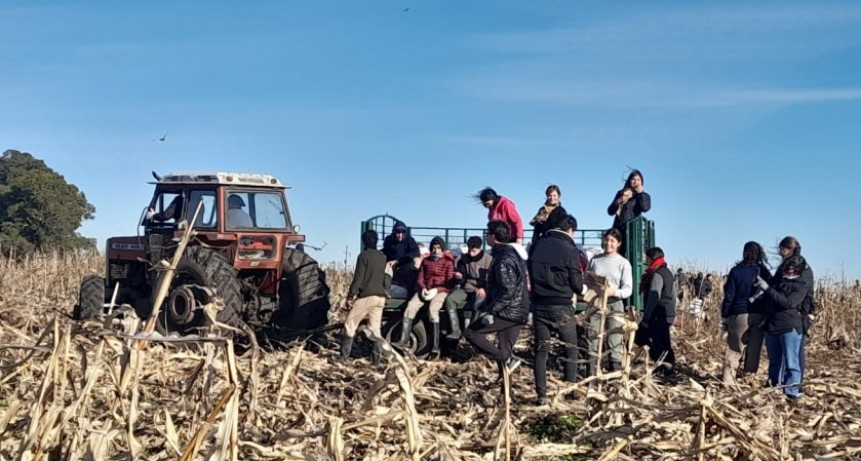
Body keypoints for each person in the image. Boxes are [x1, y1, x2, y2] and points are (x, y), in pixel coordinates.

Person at [528, 214, 584, 404]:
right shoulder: (570, 249)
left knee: (541, 350)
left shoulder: (536, 245)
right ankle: (569, 389)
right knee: (570, 349)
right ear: (570, 230)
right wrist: (583, 289)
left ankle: (541, 394)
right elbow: (576, 283)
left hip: (540, 305)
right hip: (562, 306)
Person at [463, 220, 530, 374]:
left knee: (471, 333)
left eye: (487, 234)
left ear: (493, 237)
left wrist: (492, 310)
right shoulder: (512, 255)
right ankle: (506, 393)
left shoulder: (503, 259)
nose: (486, 237)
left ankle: (506, 359)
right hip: (518, 311)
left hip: (508, 311)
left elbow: (508, 290)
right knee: (505, 351)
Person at [755, 255, 810, 401]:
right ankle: (774, 387)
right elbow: (771, 299)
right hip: (772, 325)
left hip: (789, 326)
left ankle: (791, 392)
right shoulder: (778, 282)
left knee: (791, 362)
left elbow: (788, 302)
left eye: (793, 268)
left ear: (798, 269)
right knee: (775, 361)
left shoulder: (801, 285)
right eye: (788, 267)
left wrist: (767, 289)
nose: (790, 270)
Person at [392, 236, 455, 357]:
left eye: (438, 248)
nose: (435, 250)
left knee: (433, 310)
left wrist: (437, 289)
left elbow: (449, 282)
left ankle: (435, 346)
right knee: (410, 306)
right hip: (425, 289)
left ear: (442, 249)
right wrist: (423, 288)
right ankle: (403, 340)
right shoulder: (426, 261)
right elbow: (420, 277)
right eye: (433, 248)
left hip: (441, 291)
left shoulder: (448, 262)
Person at [721, 241, 772, 384]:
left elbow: (729, 296)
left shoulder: (736, 271)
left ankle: (728, 381)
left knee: (734, 349)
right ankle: (748, 380)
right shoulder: (764, 272)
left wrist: (725, 315)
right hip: (760, 314)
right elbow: (770, 293)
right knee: (754, 349)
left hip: (739, 313)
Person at [585, 228, 633, 375]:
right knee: (592, 338)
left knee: (615, 339)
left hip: (614, 304)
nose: (608, 243)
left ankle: (615, 377)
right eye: (606, 240)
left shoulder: (623, 263)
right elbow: (586, 279)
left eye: (612, 240)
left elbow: (628, 289)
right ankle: (591, 376)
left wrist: (613, 292)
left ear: (618, 243)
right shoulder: (595, 260)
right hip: (596, 302)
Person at [773, 236, 818, 382]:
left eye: (783, 249)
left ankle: (795, 386)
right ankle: (785, 385)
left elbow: (795, 296)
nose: (781, 252)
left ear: (791, 249)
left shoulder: (800, 267)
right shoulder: (786, 266)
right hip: (787, 314)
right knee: (788, 354)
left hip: (799, 314)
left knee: (795, 355)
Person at [339, 230, 388, 364]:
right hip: (380, 298)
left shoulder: (363, 256)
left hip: (367, 296)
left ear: (364, 241)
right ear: (377, 241)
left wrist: (350, 296)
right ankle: (376, 361)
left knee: (349, 325)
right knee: (375, 331)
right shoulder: (382, 257)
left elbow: (358, 279)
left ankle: (343, 359)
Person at [636, 247, 677, 376]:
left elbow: (654, 297)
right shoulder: (668, 272)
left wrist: (646, 318)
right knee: (663, 340)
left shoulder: (657, 274)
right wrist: (674, 312)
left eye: (646, 257)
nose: (645, 260)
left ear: (651, 258)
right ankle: (666, 367)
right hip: (667, 312)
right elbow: (674, 294)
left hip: (658, 313)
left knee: (651, 339)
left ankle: (666, 368)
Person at [443, 236, 492, 340]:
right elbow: (461, 277)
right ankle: (455, 330)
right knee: (450, 300)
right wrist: (459, 277)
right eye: (469, 249)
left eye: (473, 250)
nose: (470, 253)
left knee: (478, 304)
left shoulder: (488, 260)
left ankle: (471, 332)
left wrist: (483, 288)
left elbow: (491, 280)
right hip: (466, 288)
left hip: (480, 289)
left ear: (479, 248)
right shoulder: (463, 259)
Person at [606, 169, 651, 255]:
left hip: (632, 231)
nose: (636, 182)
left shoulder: (644, 196)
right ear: (629, 180)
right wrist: (618, 201)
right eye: (633, 179)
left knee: (630, 254)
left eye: (638, 180)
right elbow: (610, 211)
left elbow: (645, 208)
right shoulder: (621, 193)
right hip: (618, 229)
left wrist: (640, 193)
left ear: (642, 182)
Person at [382, 220, 421, 297]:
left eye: (402, 233)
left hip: (405, 265)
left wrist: (398, 261)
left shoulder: (410, 240)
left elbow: (415, 252)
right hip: (392, 267)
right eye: (398, 233)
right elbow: (385, 251)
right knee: (386, 267)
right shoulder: (389, 240)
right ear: (394, 233)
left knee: (415, 263)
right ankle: (386, 290)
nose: (400, 235)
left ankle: (411, 292)